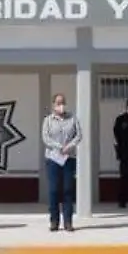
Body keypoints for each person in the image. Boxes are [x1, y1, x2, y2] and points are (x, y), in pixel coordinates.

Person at [42, 93, 83, 232]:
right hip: (53, 159)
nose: (61, 106)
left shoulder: (73, 118)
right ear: (53, 104)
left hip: (68, 158)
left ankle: (68, 222)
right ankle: (54, 221)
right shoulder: (48, 120)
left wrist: (69, 147)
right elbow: (45, 138)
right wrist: (59, 147)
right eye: (58, 103)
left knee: (68, 190)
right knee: (54, 190)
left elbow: (79, 135)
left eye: (63, 102)